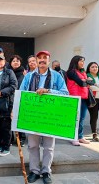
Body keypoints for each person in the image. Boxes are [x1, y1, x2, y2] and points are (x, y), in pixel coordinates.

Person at [19, 51, 68, 184]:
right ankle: (34, 171)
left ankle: (46, 171)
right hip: (32, 117)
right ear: (36, 59)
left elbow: (65, 93)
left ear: (48, 60)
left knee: (49, 146)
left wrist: (48, 91)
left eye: (44, 58)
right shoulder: (29, 77)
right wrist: (16, 111)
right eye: (39, 58)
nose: (42, 60)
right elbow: (21, 94)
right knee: (33, 145)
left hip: (50, 118)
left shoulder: (57, 76)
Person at [66, 55, 91, 146]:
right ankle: (73, 137)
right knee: (74, 119)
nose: (83, 63)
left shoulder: (83, 72)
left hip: (84, 97)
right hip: (75, 98)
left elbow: (89, 83)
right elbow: (81, 83)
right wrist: (85, 81)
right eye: (81, 61)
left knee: (82, 118)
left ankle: (80, 136)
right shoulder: (71, 72)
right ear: (76, 62)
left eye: (83, 61)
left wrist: (84, 81)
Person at [9, 55, 26, 146]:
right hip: (10, 98)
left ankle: (22, 138)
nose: (16, 62)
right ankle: (11, 138)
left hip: (20, 99)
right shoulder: (8, 72)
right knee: (10, 119)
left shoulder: (24, 73)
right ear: (10, 63)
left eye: (18, 61)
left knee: (20, 119)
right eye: (14, 61)